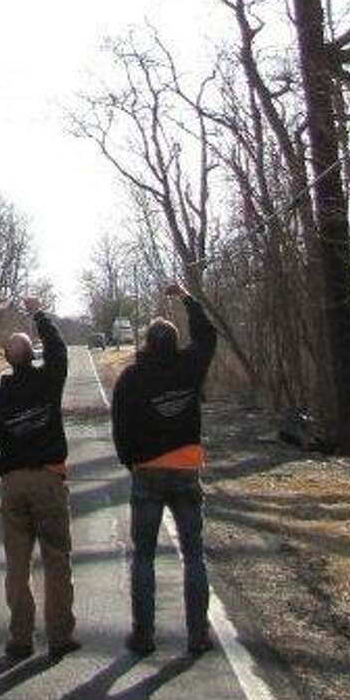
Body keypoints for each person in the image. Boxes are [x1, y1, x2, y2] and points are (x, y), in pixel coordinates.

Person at [111, 279, 218, 656]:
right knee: (194, 555)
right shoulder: (189, 366)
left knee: (144, 556)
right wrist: (187, 297)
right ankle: (198, 635)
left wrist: (132, 462)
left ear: (146, 344)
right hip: (186, 469)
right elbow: (207, 335)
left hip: (147, 472)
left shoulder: (131, 378)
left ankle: (144, 635)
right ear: (174, 344)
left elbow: (120, 428)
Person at [0, 295, 79, 661]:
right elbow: (59, 350)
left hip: (14, 484)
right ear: (32, 356)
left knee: (17, 564)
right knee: (56, 559)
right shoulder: (48, 381)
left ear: (6, 359)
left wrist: (3, 469)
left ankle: (20, 637)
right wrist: (38, 314)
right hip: (49, 478)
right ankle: (60, 635)